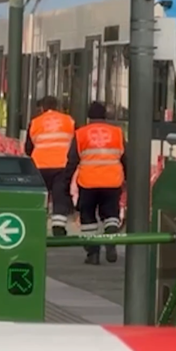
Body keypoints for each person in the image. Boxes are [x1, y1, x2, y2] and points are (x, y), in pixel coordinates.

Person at [63, 102, 127, 265]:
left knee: (88, 217)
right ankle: (111, 242)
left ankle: (93, 254)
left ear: (89, 117)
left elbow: (72, 161)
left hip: (88, 182)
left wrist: (65, 182)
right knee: (111, 215)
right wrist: (128, 179)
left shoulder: (80, 134)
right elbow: (126, 158)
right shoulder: (117, 133)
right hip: (112, 182)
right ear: (105, 116)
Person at [25, 96, 75, 236]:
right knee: (60, 195)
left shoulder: (35, 122)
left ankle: (36, 226)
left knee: (41, 196)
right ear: (57, 107)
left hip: (40, 165)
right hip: (61, 164)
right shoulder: (68, 121)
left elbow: (28, 148)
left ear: (42, 108)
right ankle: (58, 226)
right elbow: (75, 144)